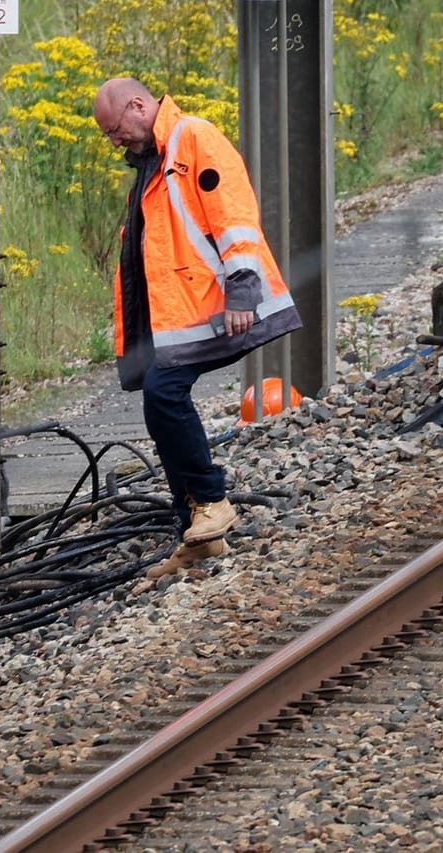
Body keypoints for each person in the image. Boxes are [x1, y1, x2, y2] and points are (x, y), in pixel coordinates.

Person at [91, 77, 300, 580]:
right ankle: (197, 529)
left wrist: (243, 288)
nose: (114, 141)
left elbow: (235, 214)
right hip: (182, 314)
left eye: (114, 130)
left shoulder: (193, 138)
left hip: (216, 305)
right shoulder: (155, 160)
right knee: (159, 401)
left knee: (165, 395)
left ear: (139, 106)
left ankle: (210, 501)